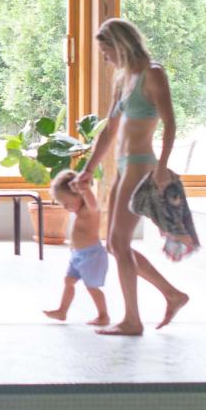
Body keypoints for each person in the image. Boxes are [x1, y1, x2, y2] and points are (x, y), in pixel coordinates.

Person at [76, 18, 190, 336]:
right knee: (114, 244)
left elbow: (170, 123)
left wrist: (164, 166)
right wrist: (87, 170)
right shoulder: (122, 78)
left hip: (141, 165)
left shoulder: (152, 73)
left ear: (120, 44)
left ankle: (132, 320)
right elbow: (109, 131)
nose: (104, 58)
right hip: (123, 166)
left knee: (118, 242)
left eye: (105, 51)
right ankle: (172, 294)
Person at [44, 169, 111, 326]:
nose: (66, 207)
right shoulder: (79, 210)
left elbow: (91, 201)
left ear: (79, 194)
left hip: (92, 255)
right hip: (78, 255)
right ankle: (62, 311)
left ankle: (103, 315)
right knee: (68, 281)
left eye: (67, 203)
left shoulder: (90, 209)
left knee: (92, 287)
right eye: (63, 204)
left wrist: (83, 187)